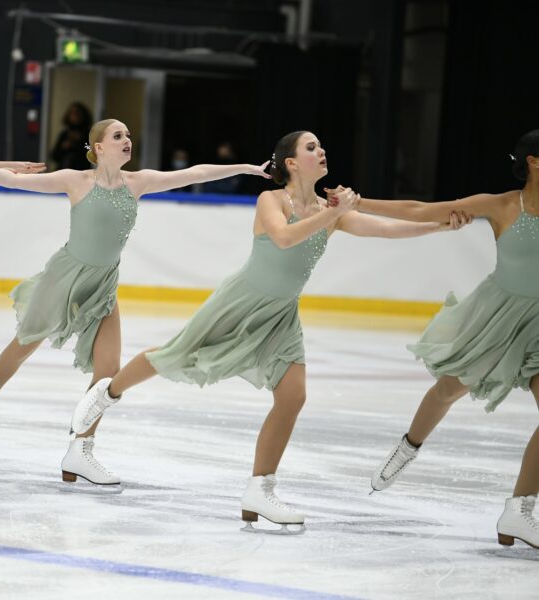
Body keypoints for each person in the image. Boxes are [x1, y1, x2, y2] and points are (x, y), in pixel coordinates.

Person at [69, 130, 468, 528]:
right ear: (291, 163)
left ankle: (260, 490)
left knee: (293, 396)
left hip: (280, 316)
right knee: (172, 356)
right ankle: (109, 392)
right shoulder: (272, 200)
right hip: (240, 302)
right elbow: (283, 237)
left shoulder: (333, 212)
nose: (322, 150)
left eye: (321, 145)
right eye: (311, 147)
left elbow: (387, 230)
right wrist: (332, 213)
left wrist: (438, 228)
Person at [0, 118, 271, 485]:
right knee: (25, 343)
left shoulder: (138, 182)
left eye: (129, 135)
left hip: (102, 285)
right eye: (118, 136)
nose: (127, 140)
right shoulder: (75, 180)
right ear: (98, 147)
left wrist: (245, 167)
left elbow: (194, 173)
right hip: (65, 278)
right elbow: (17, 181)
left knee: (107, 372)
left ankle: (80, 450)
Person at [365, 129, 539, 550]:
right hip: (499, 317)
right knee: (447, 390)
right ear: (534, 161)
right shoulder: (500, 206)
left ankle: (519, 510)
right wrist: (356, 203)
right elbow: (420, 209)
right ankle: (409, 447)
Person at [50, 102, 92, 171]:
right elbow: (54, 156)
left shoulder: (89, 134)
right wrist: (63, 147)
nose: (74, 116)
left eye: (77, 113)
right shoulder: (65, 133)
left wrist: (80, 142)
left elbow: (91, 153)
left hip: (81, 172)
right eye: (71, 113)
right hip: (63, 171)